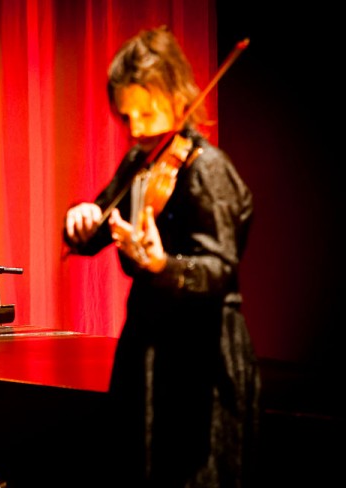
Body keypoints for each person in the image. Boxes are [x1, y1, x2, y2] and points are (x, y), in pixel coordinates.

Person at [64, 26, 260, 487]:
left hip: (201, 355)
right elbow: (97, 230)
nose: (135, 129)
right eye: (126, 115)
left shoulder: (207, 169)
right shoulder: (140, 160)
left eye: (147, 113)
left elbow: (220, 269)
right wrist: (81, 216)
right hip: (148, 343)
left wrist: (163, 266)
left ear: (177, 98)